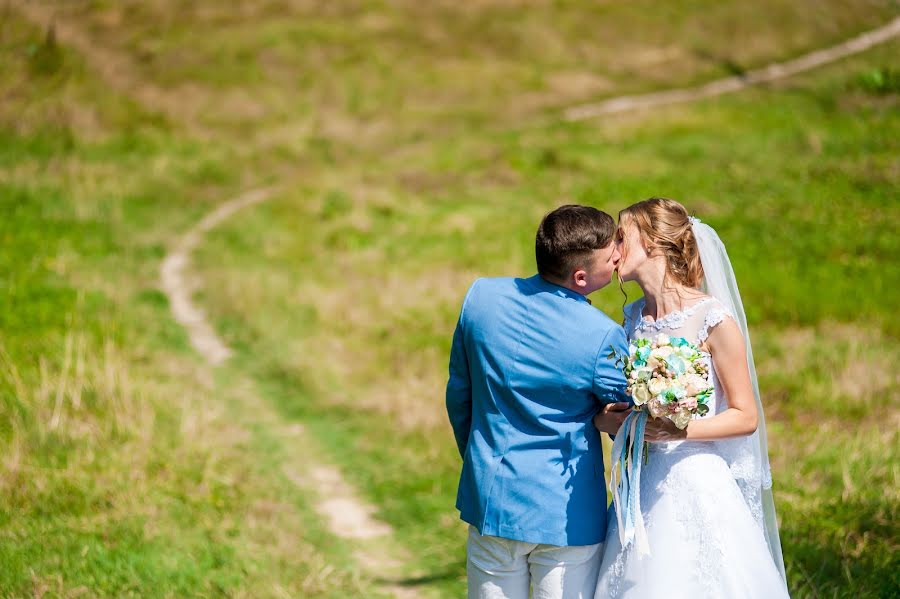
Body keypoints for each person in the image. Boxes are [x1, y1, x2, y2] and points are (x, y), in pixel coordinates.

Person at [592, 197, 789, 598]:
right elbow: (628, 406)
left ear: (652, 242)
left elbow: (744, 416)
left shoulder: (711, 318)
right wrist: (613, 420)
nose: (612, 248)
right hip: (640, 482)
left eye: (621, 236)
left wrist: (677, 430)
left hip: (695, 479)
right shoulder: (631, 319)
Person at [446, 205, 631, 599]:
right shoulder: (603, 337)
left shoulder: (481, 298)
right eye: (610, 253)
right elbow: (630, 417)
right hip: (566, 514)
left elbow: (459, 397)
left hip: (492, 499)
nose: (618, 255)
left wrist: (481, 461)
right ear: (581, 277)